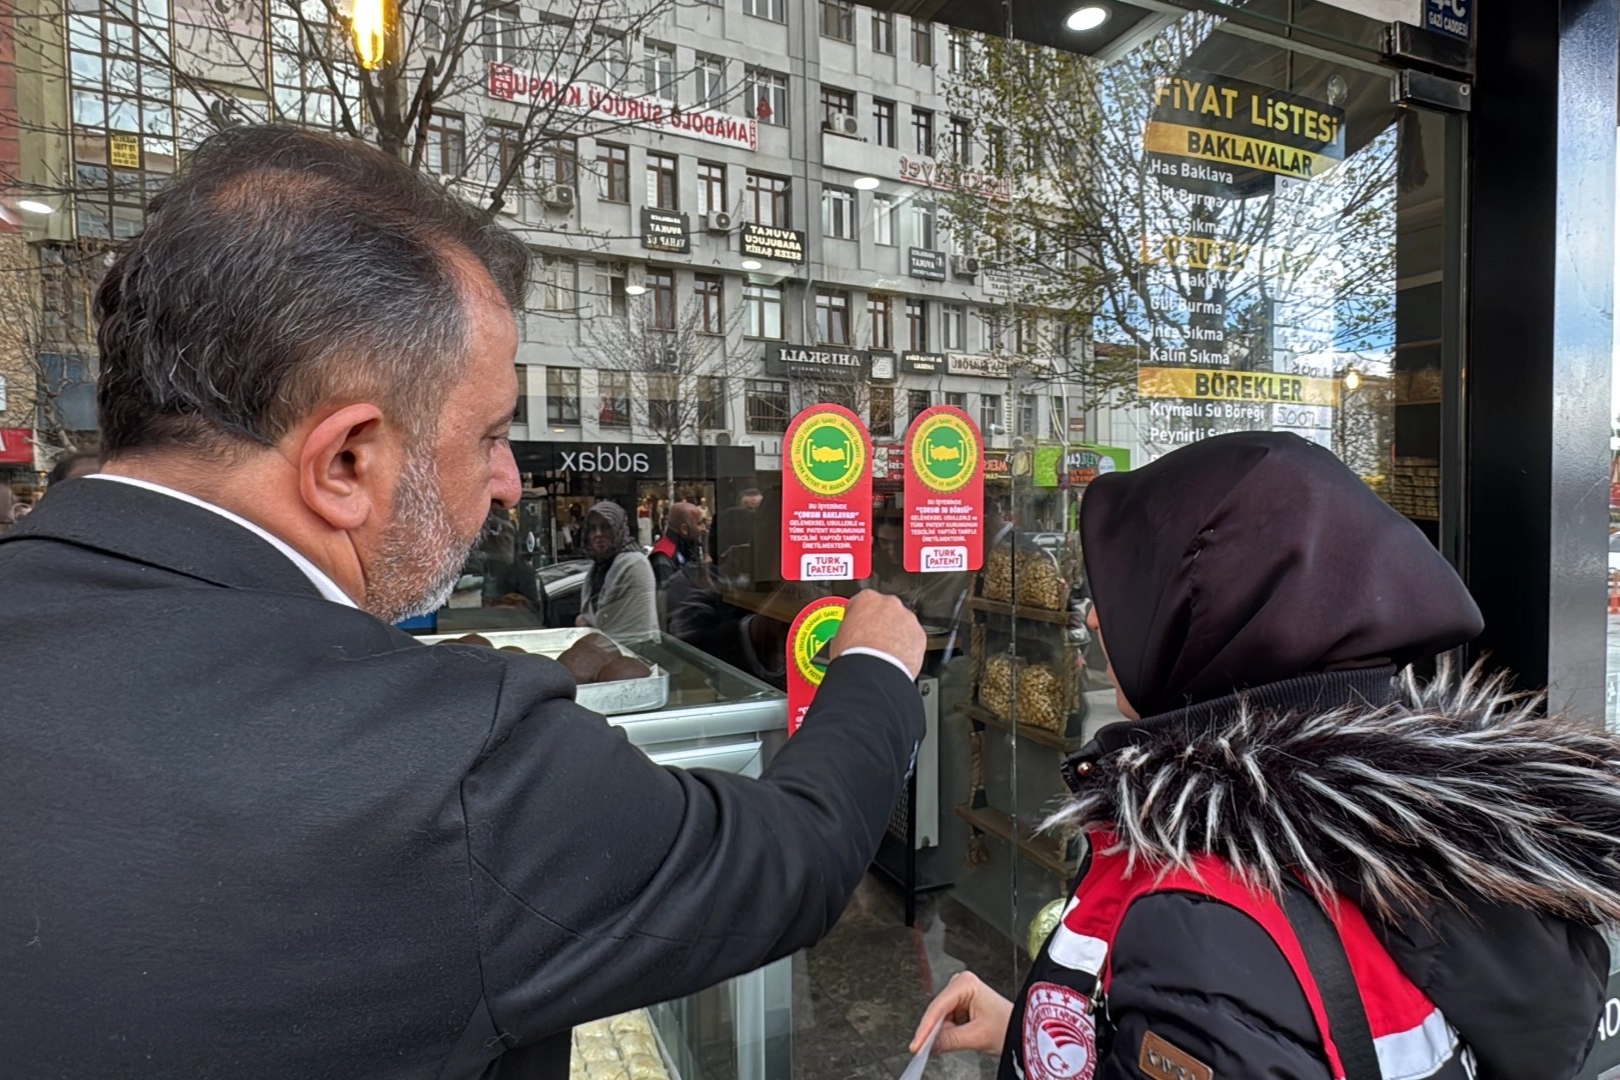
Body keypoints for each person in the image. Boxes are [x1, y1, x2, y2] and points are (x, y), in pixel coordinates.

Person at [0, 124, 929, 1080]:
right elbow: (789, 859)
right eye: (488, 435)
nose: (511, 481)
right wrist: (870, 669)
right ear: (347, 460)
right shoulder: (452, 767)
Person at [912, 432, 1619, 1080]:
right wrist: (1038, 1033)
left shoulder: (1202, 918)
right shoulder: (1425, 832)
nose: (1096, 616)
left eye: (1132, 588)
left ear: (1219, 614)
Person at [577, 500, 659, 638]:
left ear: (618, 529)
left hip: (634, 648)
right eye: (593, 528)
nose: (598, 534)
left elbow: (608, 623)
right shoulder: (598, 568)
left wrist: (585, 622)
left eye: (606, 527)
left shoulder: (633, 564)